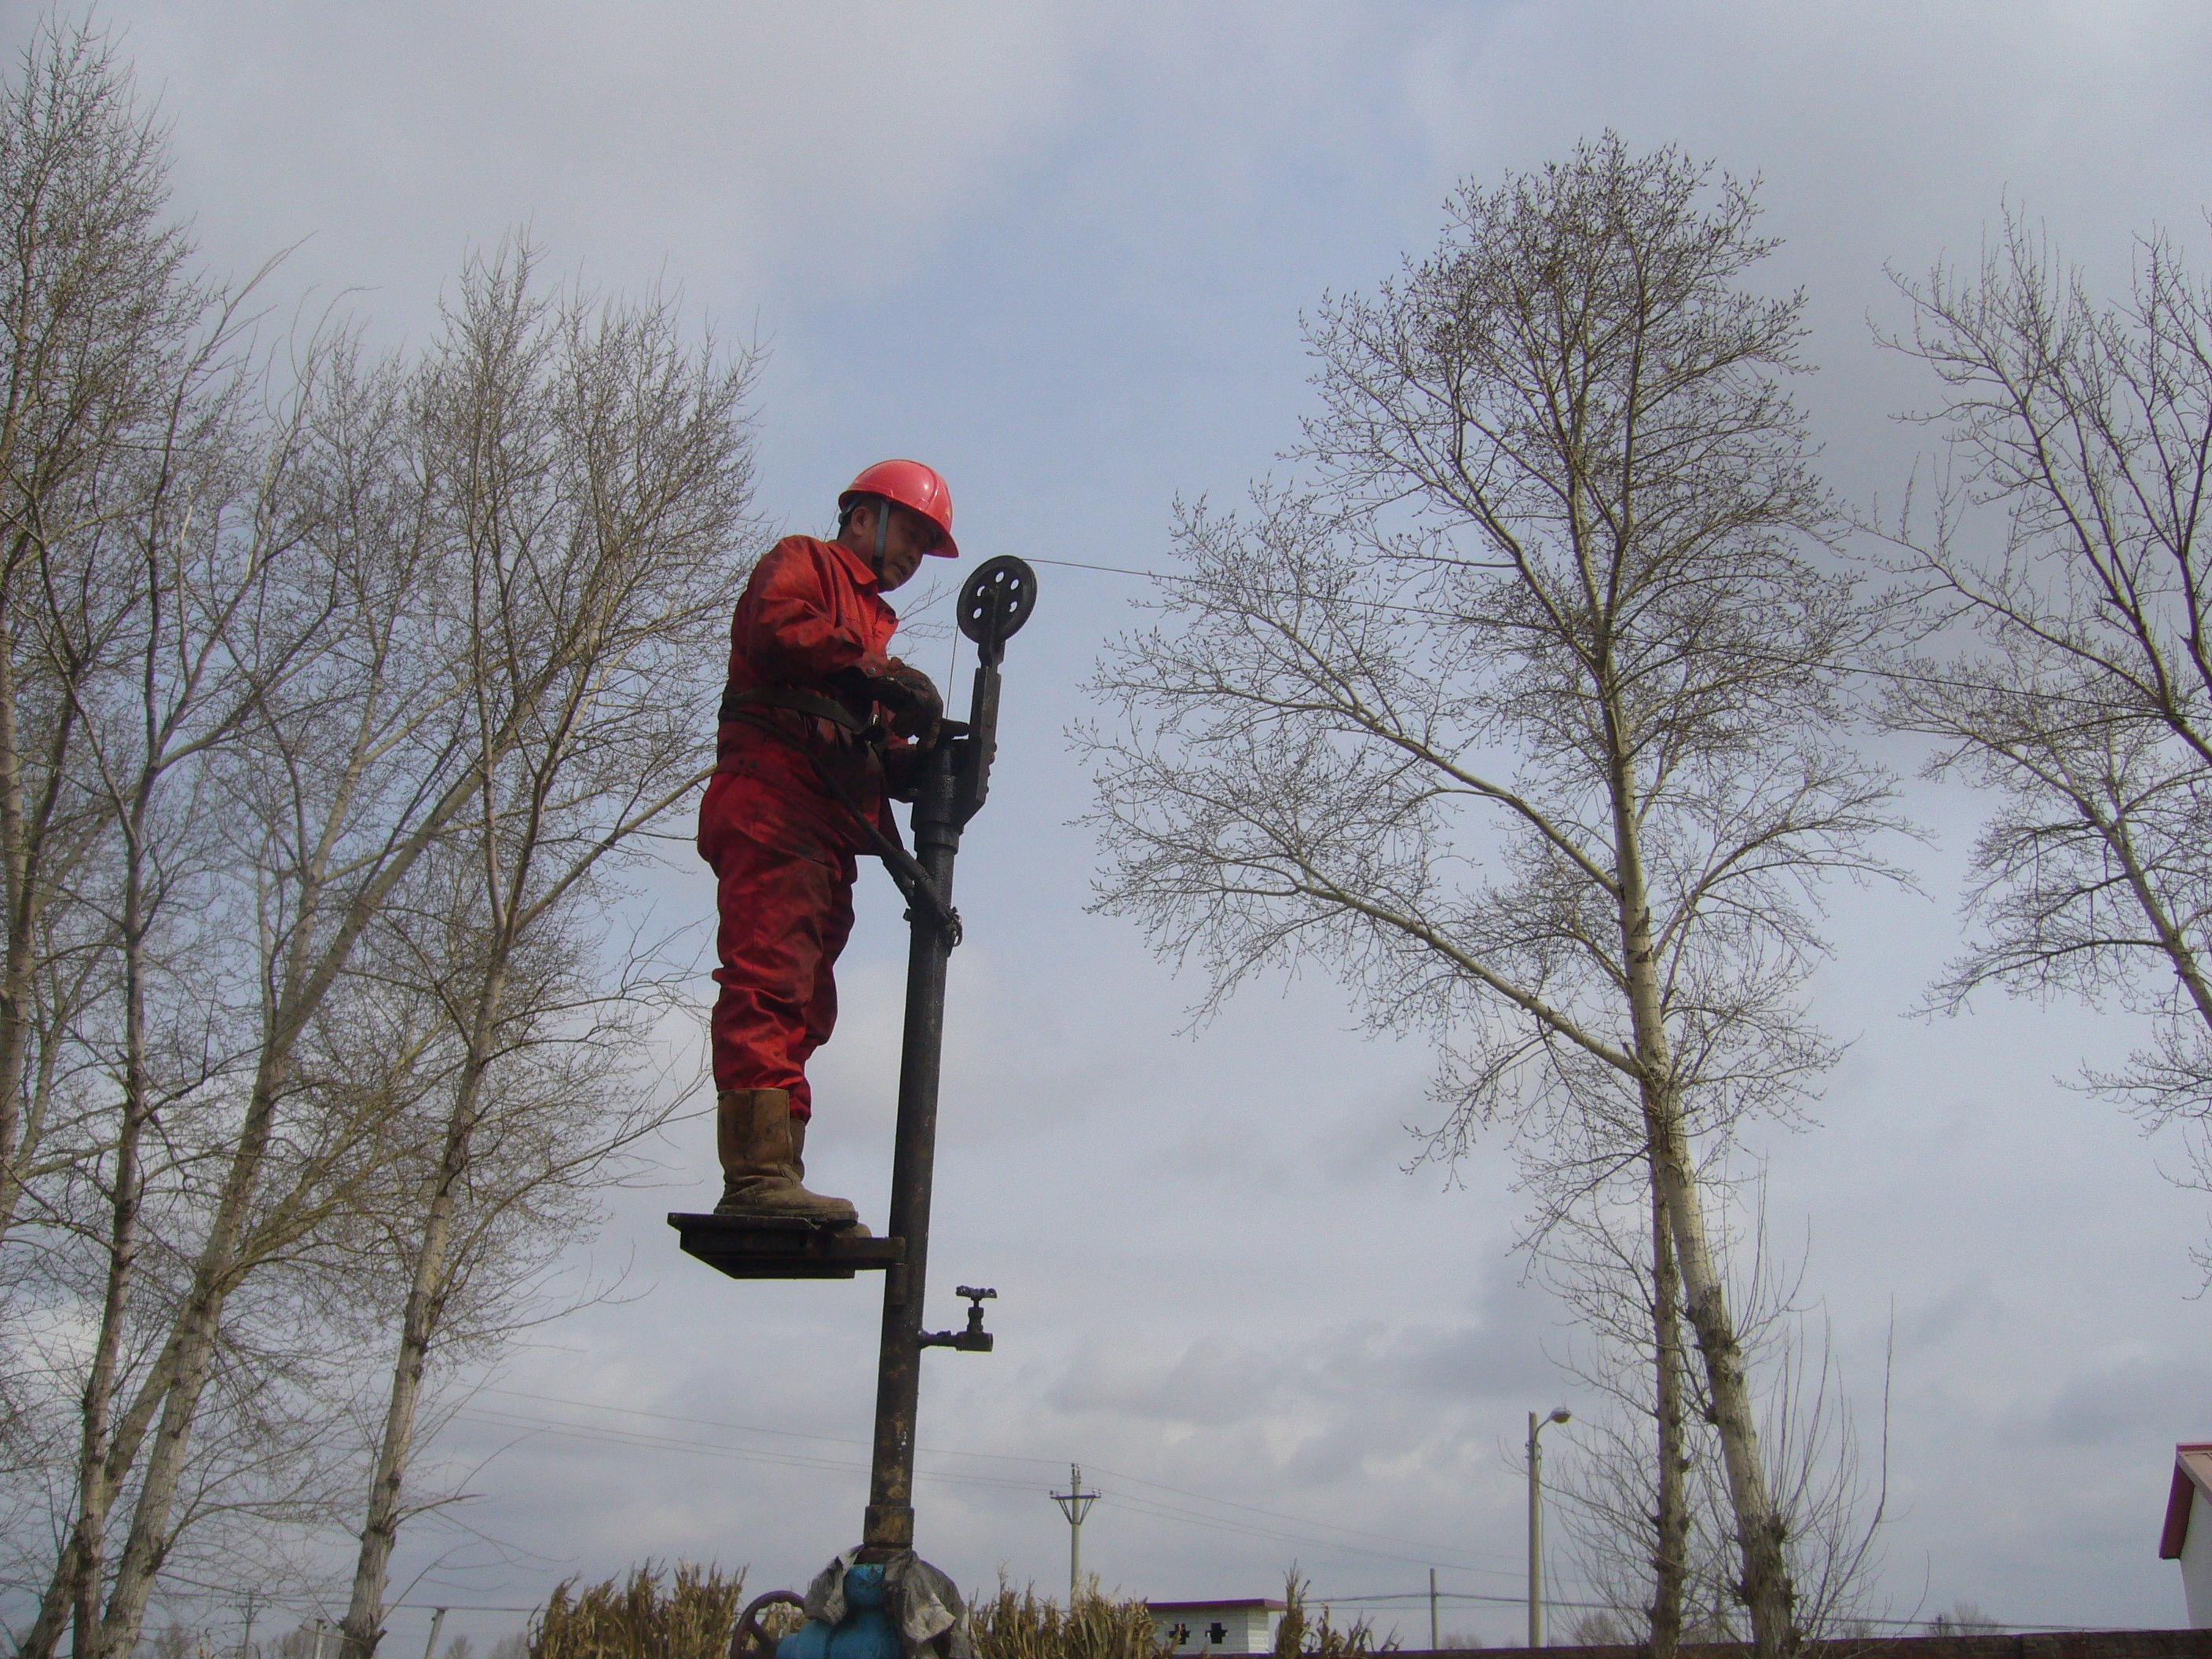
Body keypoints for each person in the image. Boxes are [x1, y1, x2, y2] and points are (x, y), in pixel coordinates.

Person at [698, 460, 958, 1230]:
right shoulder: (801, 564)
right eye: (910, 533)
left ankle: (779, 1168)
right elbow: (779, 628)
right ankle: (754, 1178)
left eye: (924, 544)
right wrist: (878, 673)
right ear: (862, 516)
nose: (913, 555)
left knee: (804, 1000)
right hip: (771, 805)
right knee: (768, 978)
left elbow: (865, 747)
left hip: (821, 832)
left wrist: (933, 766)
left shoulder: (869, 624)